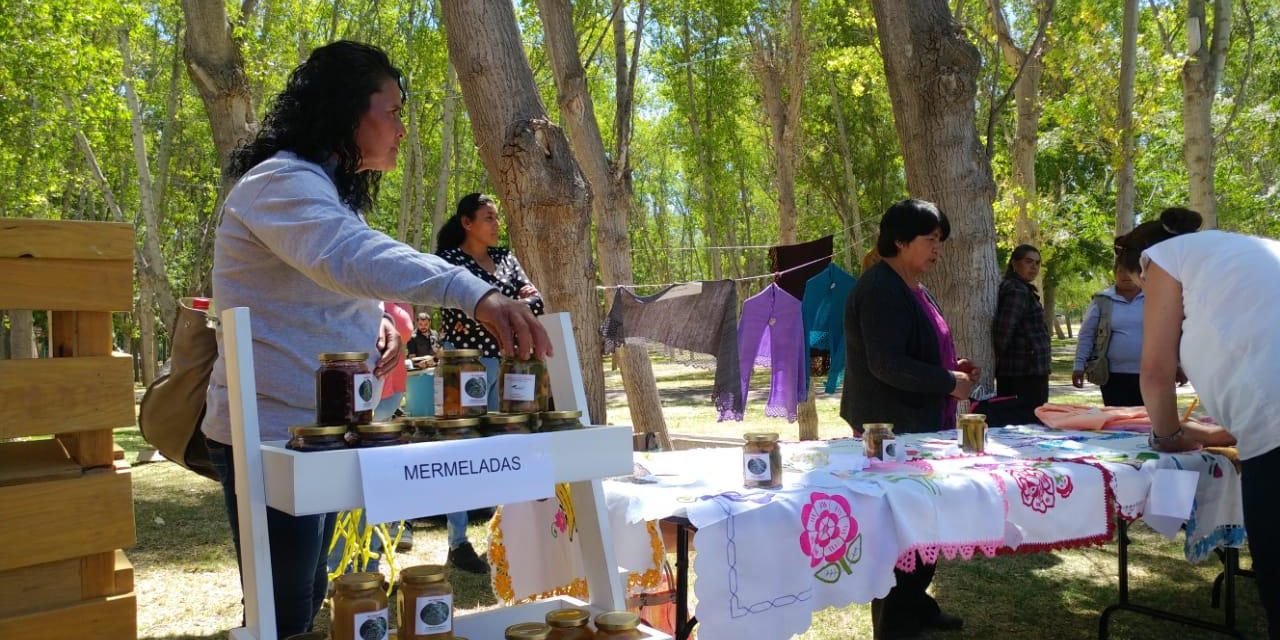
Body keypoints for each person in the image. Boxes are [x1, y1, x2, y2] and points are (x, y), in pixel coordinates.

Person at [201, 41, 550, 637]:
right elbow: (344, 256)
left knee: (308, 594)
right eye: (391, 111)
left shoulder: (324, 191)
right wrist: (475, 291)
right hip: (269, 437)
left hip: (320, 434)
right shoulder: (281, 180)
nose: (402, 129)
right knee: (280, 612)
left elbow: (330, 277)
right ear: (345, 111)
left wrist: (378, 320)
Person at [1114, 206, 1278, 636]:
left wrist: (1167, 433)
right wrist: (1206, 431)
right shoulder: (1249, 251)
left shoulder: (1164, 257)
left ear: (1141, 265)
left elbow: (1154, 371)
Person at [842, 199, 976, 639]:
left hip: (919, 423)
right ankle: (896, 625)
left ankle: (917, 605)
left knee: (925, 523)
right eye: (930, 240)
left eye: (940, 240)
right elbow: (886, 365)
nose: (938, 248)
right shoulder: (880, 287)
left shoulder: (912, 284)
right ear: (899, 241)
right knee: (902, 530)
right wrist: (946, 380)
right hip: (889, 429)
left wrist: (950, 368)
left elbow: (913, 350)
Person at [432, 192, 545, 574]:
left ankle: (507, 538)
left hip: (510, 365)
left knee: (510, 446)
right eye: (488, 218)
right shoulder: (450, 261)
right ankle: (458, 543)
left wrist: (503, 311)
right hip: (463, 365)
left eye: (497, 217)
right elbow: (454, 308)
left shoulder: (505, 259)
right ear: (466, 223)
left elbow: (536, 300)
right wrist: (503, 310)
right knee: (460, 452)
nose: (497, 224)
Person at [1071, 261, 1146, 406]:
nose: (1126, 276)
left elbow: (1170, 334)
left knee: (1146, 423)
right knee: (1117, 422)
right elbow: (1087, 334)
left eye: (1131, 271)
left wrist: (1177, 365)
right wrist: (1078, 366)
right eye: (1121, 271)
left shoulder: (1154, 297)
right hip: (1112, 375)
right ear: (1114, 274)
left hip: (1150, 374)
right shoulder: (1102, 300)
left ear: (1140, 273)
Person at [992, 244, 1051, 408]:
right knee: (1027, 421)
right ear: (1014, 263)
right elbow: (1004, 331)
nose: (1034, 267)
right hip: (1022, 372)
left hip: (1031, 370)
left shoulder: (1023, 289)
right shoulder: (1016, 290)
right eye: (1028, 261)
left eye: (1037, 263)